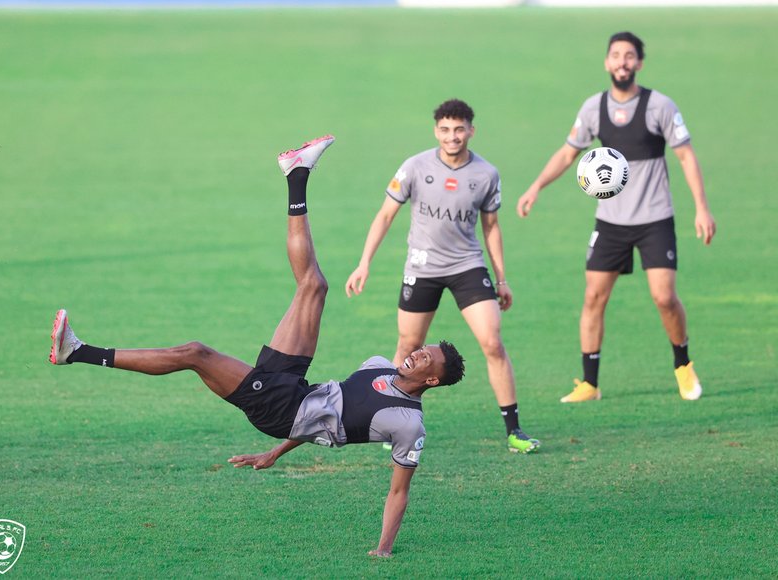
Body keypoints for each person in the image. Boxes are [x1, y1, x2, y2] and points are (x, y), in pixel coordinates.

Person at [48, 134, 466, 558]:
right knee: (314, 285)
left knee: (195, 353)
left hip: (282, 409)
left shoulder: (409, 424)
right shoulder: (380, 365)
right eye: (422, 348)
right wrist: (276, 453)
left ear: (432, 378)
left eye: (425, 358)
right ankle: (297, 175)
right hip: (296, 391)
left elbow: (398, 493)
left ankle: (78, 351)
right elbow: (330, 417)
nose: (416, 352)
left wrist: (383, 550)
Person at [516, 31, 716, 402]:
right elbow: (567, 154)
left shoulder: (660, 106)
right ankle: (589, 384)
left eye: (629, 56)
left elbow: (686, 156)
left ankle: (683, 366)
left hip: (655, 219)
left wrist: (702, 208)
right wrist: (535, 187)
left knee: (664, 297)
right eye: (615, 56)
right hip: (610, 222)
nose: (622, 62)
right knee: (593, 297)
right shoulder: (593, 108)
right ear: (607, 62)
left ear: (639, 63)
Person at [345, 99, 539, 454]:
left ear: (471, 130)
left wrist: (502, 278)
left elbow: (492, 227)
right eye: (446, 130)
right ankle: (390, 422)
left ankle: (515, 431)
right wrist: (364, 263)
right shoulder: (414, 167)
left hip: (467, 266)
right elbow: (385, 215)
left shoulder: (486, 174)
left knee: (493, 342)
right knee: (407, 347)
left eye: (460, 129)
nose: (453, 136)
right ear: (436, 131)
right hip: (421, 268)